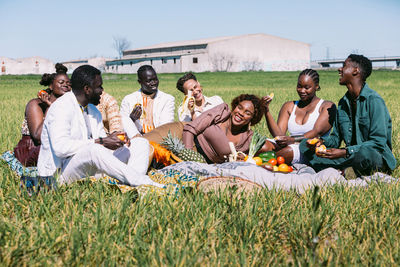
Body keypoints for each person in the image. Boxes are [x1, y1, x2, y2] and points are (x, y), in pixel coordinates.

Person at [37, 65, 163, 187]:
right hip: (61, 174)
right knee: (93, 150)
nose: (102, 91)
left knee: (140, 143)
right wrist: (100, 141)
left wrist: (116, 141)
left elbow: (102, 145)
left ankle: (131, 184)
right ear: (87, 89)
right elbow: (61, 148)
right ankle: (142, 181)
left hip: (91, 168)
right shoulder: (61, 108)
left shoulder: (93, 110)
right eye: (99, 87)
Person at [299, 54, 396, 176]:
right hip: (350, 156)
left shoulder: (374, 101)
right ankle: (348, 170)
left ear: (356, 71)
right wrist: (320, 141)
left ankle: (345, 170)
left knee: (365, 152)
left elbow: (378, 142)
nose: (340, 69)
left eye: (344, 66)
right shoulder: (343, 103)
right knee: (304, 145)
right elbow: (335, 139)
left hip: (374, 156)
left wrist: (345, 152)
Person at [263, 69, 336, 164]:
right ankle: (265, 161)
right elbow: (279, 136)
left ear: (316, 86)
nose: (302, 91)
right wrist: (266, 111)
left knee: (286, 152)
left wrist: (292, 140)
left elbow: (316, 132)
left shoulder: (326, 106)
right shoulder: (289, 106)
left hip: (308, 150)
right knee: (262, 145)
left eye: (307, 87)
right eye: (299, 86)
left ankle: (261, 162)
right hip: (288, 144)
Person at [183, 94, 270, 163]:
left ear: (253, 118)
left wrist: (240, 159)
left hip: (207, 164)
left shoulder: (248, 139)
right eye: (239, 108)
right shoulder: (222, 112)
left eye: (247, 113)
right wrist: (189, 160)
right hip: (187, 144)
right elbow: (190, 129)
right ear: (235, 106)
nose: (241, 113)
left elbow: (236, 160)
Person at [14, 63, 71, 167]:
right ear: (51, 86)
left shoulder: (66, 106)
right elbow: (39, 137)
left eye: (69, 83)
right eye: (61, 82)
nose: (66, 85)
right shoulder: (36, 104)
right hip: (30, 150)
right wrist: (50, 108)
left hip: (53, 147)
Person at [120, 65, 175, 138]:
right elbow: (121, 126)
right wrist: (132, 119)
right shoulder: (128, 100)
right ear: (140, 82)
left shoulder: (167, 99)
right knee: (125, 120)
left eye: (155, 79)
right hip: (135, 138)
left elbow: (166, 126)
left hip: (159, 138)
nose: (153, 83)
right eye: (149, 81)